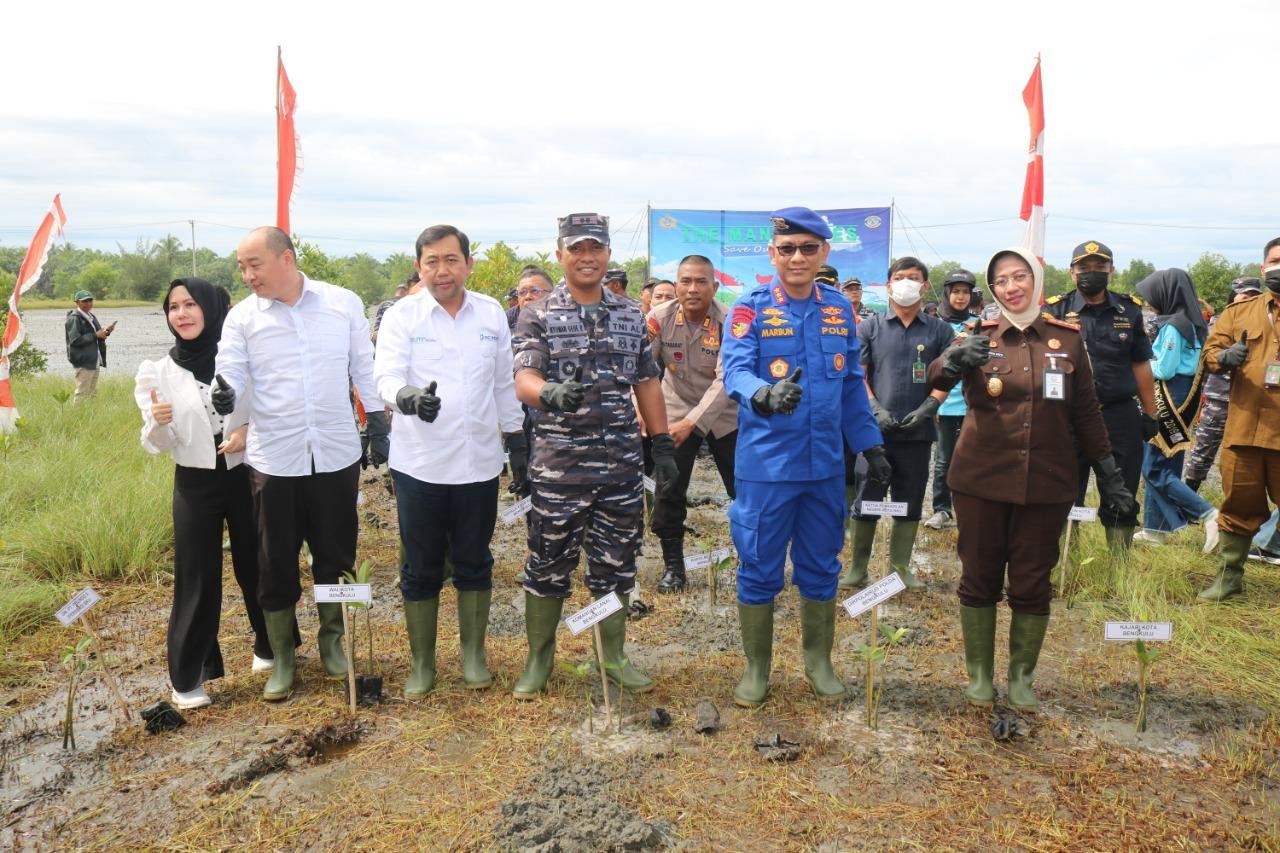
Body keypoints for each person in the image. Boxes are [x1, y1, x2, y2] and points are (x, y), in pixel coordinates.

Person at [929, 246, 1133, 712]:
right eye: (1001, 281)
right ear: (993, 290)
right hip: (980, 479)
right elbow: (933, 375)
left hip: (1047, 480)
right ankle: (980, 676)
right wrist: (957, 358)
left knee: (1032, 580)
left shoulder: (1068, 339)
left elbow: (1086, 412)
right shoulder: (975, 333)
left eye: (1020, 276)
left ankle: (1021, 678)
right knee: (978, 577)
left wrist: (1110, 475)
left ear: (1036, 281)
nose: (1011, 286)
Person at [721, 206, 891, 707]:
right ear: (772, 253)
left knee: (821, 565)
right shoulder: (748, 307)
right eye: (787, 248)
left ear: (824, 253)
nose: (798, 257)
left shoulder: (840, 308)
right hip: (767, 468)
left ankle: (819, 660)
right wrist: (763, 394)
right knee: (759, 566)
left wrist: (869, 445)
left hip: (823, 469)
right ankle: (758, 667)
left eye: (808, 248)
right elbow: (733, 371)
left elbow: (851, 388)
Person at [212, 226, 390, 702]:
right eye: (242, 267)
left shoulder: (341, 303)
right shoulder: (242, 319)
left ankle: (333, 641)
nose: (248, 276)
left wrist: (377, 419)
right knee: (274, 560)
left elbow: (362, 364)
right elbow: (229, 368)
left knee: (334, 555)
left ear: (286, 259)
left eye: (255, 265)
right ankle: (284, 658)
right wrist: (224, 391)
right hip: (275, 457)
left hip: (334, 452)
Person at [511, 213, 678, 698]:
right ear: (560, 254)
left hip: (621, 465)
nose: (587, 258)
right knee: (547, 564)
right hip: (559, 467)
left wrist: (661, 443)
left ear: (607, 255)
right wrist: (548, 393)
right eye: (577, 249)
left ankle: (615, 656)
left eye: (596, 249)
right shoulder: (537, 313)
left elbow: (646, 381)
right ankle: (539, 660)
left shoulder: (629, 313)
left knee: (616, 564)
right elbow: (523, 377)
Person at [374, 225, 525, 697]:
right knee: (419, 567)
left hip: (479, 461)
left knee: (475, 560)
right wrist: (408, 398)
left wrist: (516, 438)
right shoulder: (404, 315)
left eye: (451, 260)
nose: (442, 270)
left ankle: (473, 657)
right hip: (420, 463)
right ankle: (422, 664)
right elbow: (386, 374)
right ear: (419, 267)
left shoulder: (491, 312)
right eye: (432, 261)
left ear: (468, 264)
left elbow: (504, 382)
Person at [134, 278, 294, 709]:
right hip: (194, 483)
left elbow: (270, 408)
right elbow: (155, 445)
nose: (182, 314)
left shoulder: (239, 359)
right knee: (197, 577)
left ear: (210, 308)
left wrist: (244, 429)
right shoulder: (158, 371)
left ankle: (271, 648)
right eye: (173, 307)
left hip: (244, 475)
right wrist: (159, 421)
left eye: (190, 305)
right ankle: (189, 677)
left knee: (259, 563)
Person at [842, 257, 954, 591]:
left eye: (914, 278)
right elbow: (858, 374)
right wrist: (874, 406)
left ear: (924, 285)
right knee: (867, 496)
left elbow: (949, 375)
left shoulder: (939, 329)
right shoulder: (870, 327)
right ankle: (858, 569)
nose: (906, 283)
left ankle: (900, 569)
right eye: (900, 277)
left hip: (918, 433)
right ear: (889, 285)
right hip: (873, 432)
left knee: (910, 500)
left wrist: (930, 405)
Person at [1045, 241, 1157, 552]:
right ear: (1072, 272)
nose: (1091, 273)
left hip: (1118, 415)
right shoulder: (1053, 310)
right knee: (1064, 490)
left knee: (1121, 490)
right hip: (1067, 416)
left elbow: (1140, 363)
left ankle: (1117, 571)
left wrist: (1150, 413)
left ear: (1111, 270)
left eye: (1099, 267)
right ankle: (1066, 560)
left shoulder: (1129, 309)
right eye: (1083, 267)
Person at [646, 254, 738, 593]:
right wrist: (643, 411)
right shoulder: (658, 318)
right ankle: (674, 566)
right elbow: (641, 371)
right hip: (674, 409)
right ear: (675, 285)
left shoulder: (732, 321)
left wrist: (693, 423)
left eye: (701, 282)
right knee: (669, 489)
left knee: (744, 489)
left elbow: (727, 379)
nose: (693, 288)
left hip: (726, 415)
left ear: (715, 287)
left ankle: (751, 559)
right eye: (685, 281)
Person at [1196, 237, 1280, 601]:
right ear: (1264, 268)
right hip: (1244, 429)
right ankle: (1230, 579)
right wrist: (1225, 356)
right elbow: (1209, 352)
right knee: (1238, 506)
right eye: (1276, 260)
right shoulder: (1238, 313)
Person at [1131, 270, 1218, 549]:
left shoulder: (1173, 326)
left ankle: (1207, 513)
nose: (1150, 302)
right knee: (1165, 462)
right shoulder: (1191, 321)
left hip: (1168, 395)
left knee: (1154, 468)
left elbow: (1165, 369)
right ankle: (1155, 529)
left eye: (1152, 296)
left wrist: (1138, 366)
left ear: (1167, 294)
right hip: (1184, 396)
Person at [1184, 276, 1261, 493]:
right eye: (1244, 295)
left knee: (1246, 456)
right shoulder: (1220, 322)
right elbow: (1207, 357)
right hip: (1220, 398)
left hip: (1250, 399)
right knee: (1203, 450)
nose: (1248, 300)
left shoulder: (1265, 320)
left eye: (1254, 296)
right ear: (1233, 297)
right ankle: (1188, 503)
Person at [924, 269, 979, 530]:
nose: (961, 297)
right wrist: (933, 400)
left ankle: (968, 508)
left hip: (973, 406)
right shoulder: (936, 325)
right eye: (956, 291)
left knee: (971, 457)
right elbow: (929, 367)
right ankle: (941, 509)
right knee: (944, 459)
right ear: (947, 293)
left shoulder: (978, 324)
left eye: (966, 292)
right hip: (945, 403)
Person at [65, 289, 113, 401]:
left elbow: (97, 335)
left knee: (92, 393)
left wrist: (106, 332)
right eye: (85, 301)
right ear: (77, 302)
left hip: (94, 360)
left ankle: (89, 417)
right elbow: (75, 340)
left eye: (90, 300)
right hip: (83, 361)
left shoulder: (90, 316)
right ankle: (76, 417)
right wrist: (96, 335)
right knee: (82, 393)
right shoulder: (74, 318)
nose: (88, 304)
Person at [372, 277, 413, 342]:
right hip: (399, 340)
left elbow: (377, 326)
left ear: (396, 292)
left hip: (382, 340)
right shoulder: (407, 304)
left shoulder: (384, 304)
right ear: (405, 292)